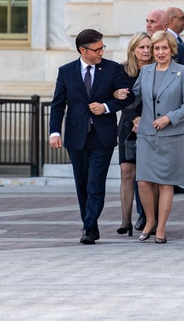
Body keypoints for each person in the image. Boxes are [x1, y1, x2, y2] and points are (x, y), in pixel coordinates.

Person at [48, 29, 133, 245]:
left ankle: (87, 227)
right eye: (96, 49)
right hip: (76, 136)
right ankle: (91, 226)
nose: (100, 52)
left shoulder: (112, 68)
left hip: (102, 136)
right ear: (82, 50)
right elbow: (58, 104)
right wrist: (54, 132)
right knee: (82, 184)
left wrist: (105, 106)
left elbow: (127, 96)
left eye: (102, 48)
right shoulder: (66, 71)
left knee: (96, 184)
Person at [132, 30, 184, 243]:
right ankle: (149, 220)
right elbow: (134, 97)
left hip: (172, 134)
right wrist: (117, 96)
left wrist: (169, 118)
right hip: (147, 135)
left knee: (166, 183)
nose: (160, 52)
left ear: (172, 50)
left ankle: (161, 227)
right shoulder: (146, 71)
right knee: (143, 181)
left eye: (164, 48)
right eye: (156, 48)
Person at [145, 8, 184, 195]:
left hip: (173, 122)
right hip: (148, 127)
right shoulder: (144, 51)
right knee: (145, 180)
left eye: (152, 21)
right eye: (147, 21)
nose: (148, 25)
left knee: (165, 180)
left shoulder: (178, 45)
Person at [116, 32, 152, 235]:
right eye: (141, 47)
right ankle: (125, 220)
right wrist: (114, 94)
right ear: (133, 50)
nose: (146, 51)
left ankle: (148, 218)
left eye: (149, 47)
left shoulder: (159, 68)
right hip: (128, 126)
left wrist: (145, 120)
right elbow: (118, 96)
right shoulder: (121, 71)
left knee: (148, 175)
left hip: (153, 126)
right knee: (126, 172)